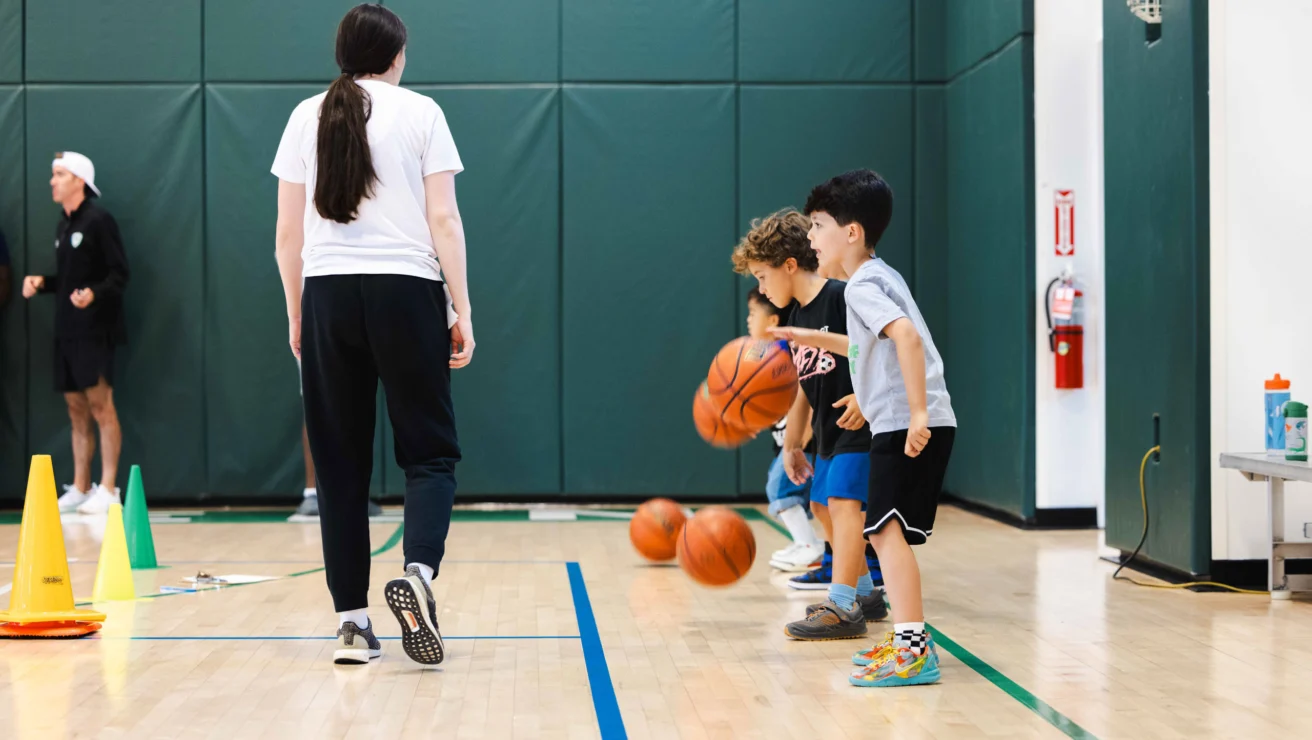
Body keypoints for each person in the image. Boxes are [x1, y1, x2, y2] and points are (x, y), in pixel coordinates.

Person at [273, 3, 472, 667]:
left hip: (328, 291)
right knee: (429, 453)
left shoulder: (305, 115)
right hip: (406, 291)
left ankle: (353, 624)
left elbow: (287, 238)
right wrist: (460, 307)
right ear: (395, 55)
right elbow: (443, 220)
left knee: (339, 467)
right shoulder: (422, 113)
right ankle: (417, 575)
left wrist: (299, 313)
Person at [778, 170, 955, 687]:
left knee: (884, 533)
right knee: (884, 534)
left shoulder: (859, 288)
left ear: (851, 232)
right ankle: (907, 645)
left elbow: (906, 338)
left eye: (817, 225)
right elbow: (864, 348)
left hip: (907, 424)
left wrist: (917, 413)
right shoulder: (878, 276)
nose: (810, 237)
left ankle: (914, 653)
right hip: (905, 419)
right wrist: (808, 334)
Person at [733, 208, 886, 640]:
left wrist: (863, 394)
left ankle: (842, 608)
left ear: (789, 265)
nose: (761, 288)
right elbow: (804, 383)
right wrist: (793, 443)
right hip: (828, 434)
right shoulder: (798, 316)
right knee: (821, 506)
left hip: (862, 424)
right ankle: (865, 593)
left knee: (841, 505)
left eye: (763, 276)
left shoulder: (841, 296)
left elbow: (876, 348)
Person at [22, 152, 129, 515]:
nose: (52, 181)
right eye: (53, 174)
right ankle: (82, 487)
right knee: (75, 410)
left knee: (102, 407)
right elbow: (70, 280)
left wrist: (94, 294)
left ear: (79, 181)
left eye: (59, 174)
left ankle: (109, 488)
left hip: (95, 332)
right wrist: (44, 283)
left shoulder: (99, 221)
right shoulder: (63, 223)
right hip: (66, 332)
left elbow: (119, 275)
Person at [742, 289, 823, 570]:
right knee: (795, 494)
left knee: (780, 489)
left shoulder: (784, 352)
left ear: (774, 320)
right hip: (785, 441)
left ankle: (810, 545)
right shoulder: (760, 354)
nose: (748, 320)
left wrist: (802, 437)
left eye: (753, 314)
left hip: (804, 441)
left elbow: (805, 392)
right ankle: (808, 543)